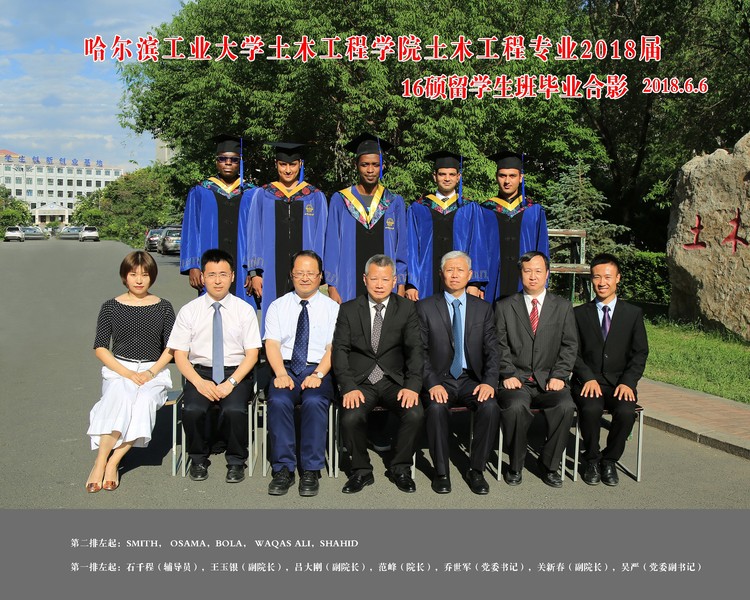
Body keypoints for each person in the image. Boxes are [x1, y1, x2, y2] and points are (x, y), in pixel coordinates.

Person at [332, 254, 424, 494]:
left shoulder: (407, 309)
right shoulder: (349, 310)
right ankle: (361, 471)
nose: (380, 284)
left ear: (394, 281)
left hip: (394, 380)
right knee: (350, 417)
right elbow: (340, 351)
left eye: (385, 279)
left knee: (415, 413)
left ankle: (400, 468)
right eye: (374, 279)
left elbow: (415, 350)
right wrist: (348, 386)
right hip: (361, 381)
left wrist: (412, 386)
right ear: (365, 279)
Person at [168, 249, 261, 483]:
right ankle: (198, 457)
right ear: (203, 277)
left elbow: (252, 354)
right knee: (192, 410)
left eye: (223, 274)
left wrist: (231, 383)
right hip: (200, 373)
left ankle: (236, 460)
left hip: (236, 373)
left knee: (234, 410)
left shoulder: (244, 310)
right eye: (211, 275)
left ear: (232, 276)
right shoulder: (190, 311)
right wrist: (199, 383)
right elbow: (180, 355)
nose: (217, 281)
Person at [86, 251, 175, 492]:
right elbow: (100, 347)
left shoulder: (164, 307)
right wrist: (127, 374)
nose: (139, 280)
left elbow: (171, 348)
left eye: (145, 275)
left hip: (153, 371)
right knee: (119, 398)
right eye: (133, 274)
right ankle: (100, 462)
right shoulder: (110, 306)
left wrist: (150, 373)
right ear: (124, 276)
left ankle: (114, 462)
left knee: (144, 402)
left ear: (152, 276)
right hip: (119, 369)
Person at [416, 251, 500, 495]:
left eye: (460, 270)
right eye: (449, 270)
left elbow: (493, 351)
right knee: (436, 408)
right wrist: (432, 383)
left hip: (471, 379)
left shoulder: (483, 309)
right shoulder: (424, 307)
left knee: (490, 407)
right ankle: (441, 472)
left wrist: (489, 382)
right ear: (441, 273)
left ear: (469, 274)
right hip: (439, 379)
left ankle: (476, 470)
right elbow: (418, 351)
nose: (454, 275)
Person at [494, 251, 577, 487]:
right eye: (527, 271)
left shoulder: (562, 307)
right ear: (520, 273)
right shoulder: (504, 306)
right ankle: (515, 464)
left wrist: (559, 375)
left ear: (547, 274)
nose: (533, 276)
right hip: (516, 380)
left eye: (538, 271)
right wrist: (507, 373)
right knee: (516, 408)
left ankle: (549, 464)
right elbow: (498, 344)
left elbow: (570, 345)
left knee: (565, 406)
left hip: (550, 380)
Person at [264, 251, 339, 497]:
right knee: (278, 400)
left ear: (320, 277)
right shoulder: (278, 306)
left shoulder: (332, 308)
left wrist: (318, 374)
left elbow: (332, 348)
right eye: (299, 273)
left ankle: (310, 469)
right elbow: (272, 344)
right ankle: (283, 468)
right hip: (285, 368)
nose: (305, 278)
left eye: (310, 273)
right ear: (291, 275)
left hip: (317, 369)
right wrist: (279, 373)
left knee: (315, 401)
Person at [573, 253, 649, 486]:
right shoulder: (579, 313)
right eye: (596, 277)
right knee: (591, 409)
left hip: (619, 382)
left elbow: (640, 353)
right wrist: (587, 377)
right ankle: (592, 459)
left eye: (607, 277)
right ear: (591, 280)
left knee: (626, 412)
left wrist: (628, 382)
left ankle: (609, 460)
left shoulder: (632, 314)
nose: (602, 282)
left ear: (618, 278)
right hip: (588, 381)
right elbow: (572, 352)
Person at [246, 142, 328, 333]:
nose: (288, 170)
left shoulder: (314, 196)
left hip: (306, 271)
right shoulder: (263, 195)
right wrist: (255, 273)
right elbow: (254, 234)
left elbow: (322, 234)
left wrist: (319, 269)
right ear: (276, 164)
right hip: (271, 268)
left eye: (293, 164)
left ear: (300, 164)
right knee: (273, 317)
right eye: (283, 164)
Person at [324, 133, 407, 304]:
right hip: (348, 284)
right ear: (356, 165)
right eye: (365, 165)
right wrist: (332, 285)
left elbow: (401, 247)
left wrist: (401, 283)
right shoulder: (340, 200)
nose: (370, 170)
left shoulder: (393, 202)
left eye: (375, 165)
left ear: (382, 166)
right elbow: (332, 244)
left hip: (385, 285)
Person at [180, 134, 258, 306]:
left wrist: (255, 271)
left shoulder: (252, 193)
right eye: (223, 159)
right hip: (209, 264)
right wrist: (193, 265)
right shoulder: (201, 191)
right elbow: (191, 230)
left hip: (242, 267)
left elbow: (258, 236)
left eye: (234, 159)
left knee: (242, 313)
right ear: (216, 161)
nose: (228, 163)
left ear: (240, 162)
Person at [406, 151, 488, 300]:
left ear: (458, 177)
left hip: (460, 281)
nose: (447, 178)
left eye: (451, 174)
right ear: (434, 176)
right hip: (425, 280)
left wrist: (475, 283)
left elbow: (477, 245)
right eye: (442, 174)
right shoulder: (419, 208)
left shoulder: (470, 208)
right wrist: (411, 283)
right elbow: (411, 247)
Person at [478, 151, 549, 302]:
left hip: (526, 280)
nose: (507, 181)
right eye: (502, 176)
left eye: (512, 176)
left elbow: (542, 248)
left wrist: (543, 281)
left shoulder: (534, 211)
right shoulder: (484, 210)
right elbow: (478, 249)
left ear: (521, 177)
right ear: (496, 177)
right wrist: (477, 283)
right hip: (492, 280)